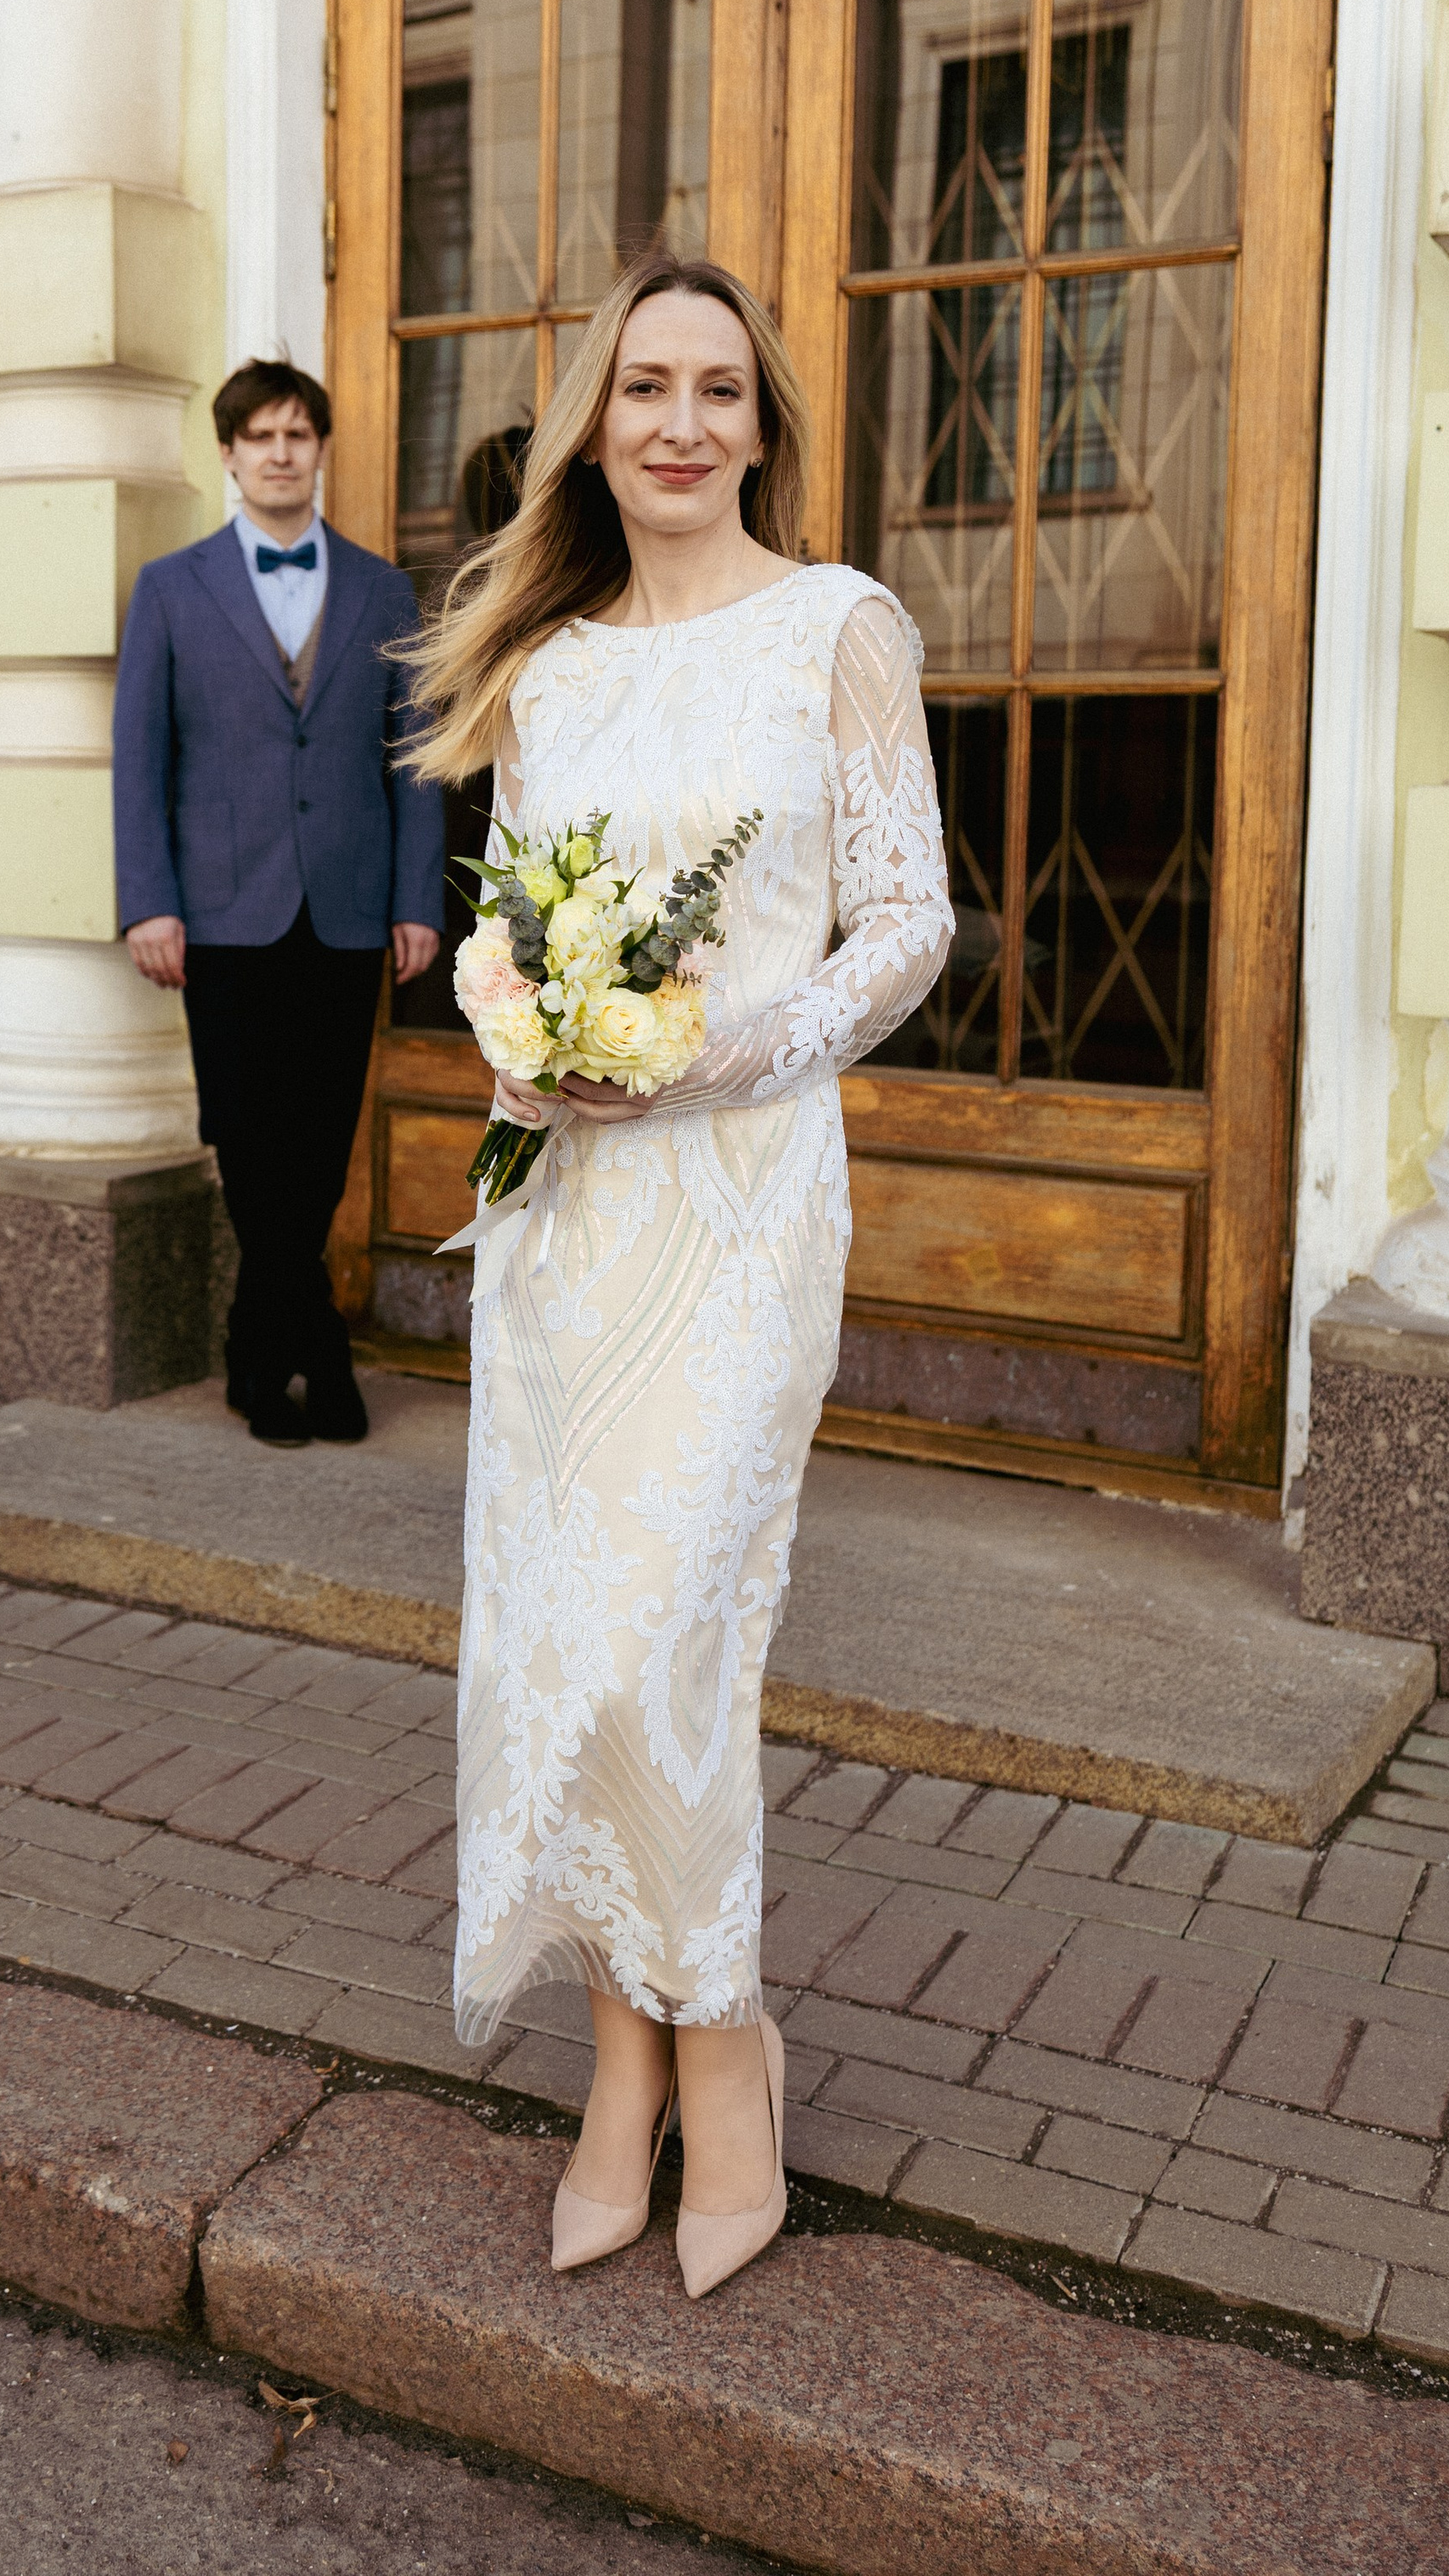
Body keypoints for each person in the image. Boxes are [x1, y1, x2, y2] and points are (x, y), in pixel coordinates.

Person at [401, 254, 953, 2297]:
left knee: (666, 1638)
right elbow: (502, 926)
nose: (677, 422)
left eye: (716, 388)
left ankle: (723, 2046)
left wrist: (718, 1048)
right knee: (567, 1628)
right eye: (642, 384)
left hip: (732, 1209)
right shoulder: (542, 670)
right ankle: (617, 2056)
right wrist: (516, 1033)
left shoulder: (836, 629)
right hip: (565, 1216)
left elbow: (901, 923)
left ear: (760, 421)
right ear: (594, 418)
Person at [113, 360, 445, 1446]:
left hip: (347, 910)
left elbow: (413, 760)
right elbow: (139, 761)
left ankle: (259, 1354)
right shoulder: (172, 587)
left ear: (320, 450)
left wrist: (416, 900)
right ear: (227, 454)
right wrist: (146, 904)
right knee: (246, 1137)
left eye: (298, 435)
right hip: (218, 911)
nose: (279, 453)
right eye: (258, 436)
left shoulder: (382, 588)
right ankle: (318, 1348)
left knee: (319, 1138)